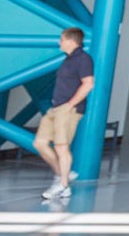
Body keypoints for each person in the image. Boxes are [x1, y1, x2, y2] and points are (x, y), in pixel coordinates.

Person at [36, 27, 94, 200]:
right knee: (40, 143)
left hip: (68, 109)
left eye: (61, 39)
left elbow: (88, 83)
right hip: (56, 108)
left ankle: (63, 186)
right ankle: (63, 175)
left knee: (61, 147)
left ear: (71, 41)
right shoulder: (67, 60)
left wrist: (70, 104)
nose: (59, 42)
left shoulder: (83, 59)